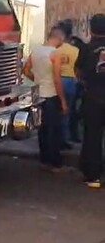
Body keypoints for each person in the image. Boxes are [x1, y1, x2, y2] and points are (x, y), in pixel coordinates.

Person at [23, 26, 69, 172]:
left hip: (38, 95)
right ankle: (55, 163)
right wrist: (62, 100)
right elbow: (57, 79)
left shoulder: (36, 51)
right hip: (51, 95)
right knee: (53, 129)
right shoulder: (54, 54)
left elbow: (25, 70)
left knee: (42, 129)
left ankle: (43, 159)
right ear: (60, 38)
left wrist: (36, 80)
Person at [76, 13, 105, 189]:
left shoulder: (86, 49)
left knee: (92, 137)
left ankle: (92, 176)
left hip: (93, 98)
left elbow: (78, 73)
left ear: (91, 29)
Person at [55, 20, 80, 147]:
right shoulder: (75, 50)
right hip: (70, 82)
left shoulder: (55, 49)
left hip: (56, 81)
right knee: (67, 111)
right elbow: (78, 69)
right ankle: (64, 139)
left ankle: (55, 139)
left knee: (55, 111)